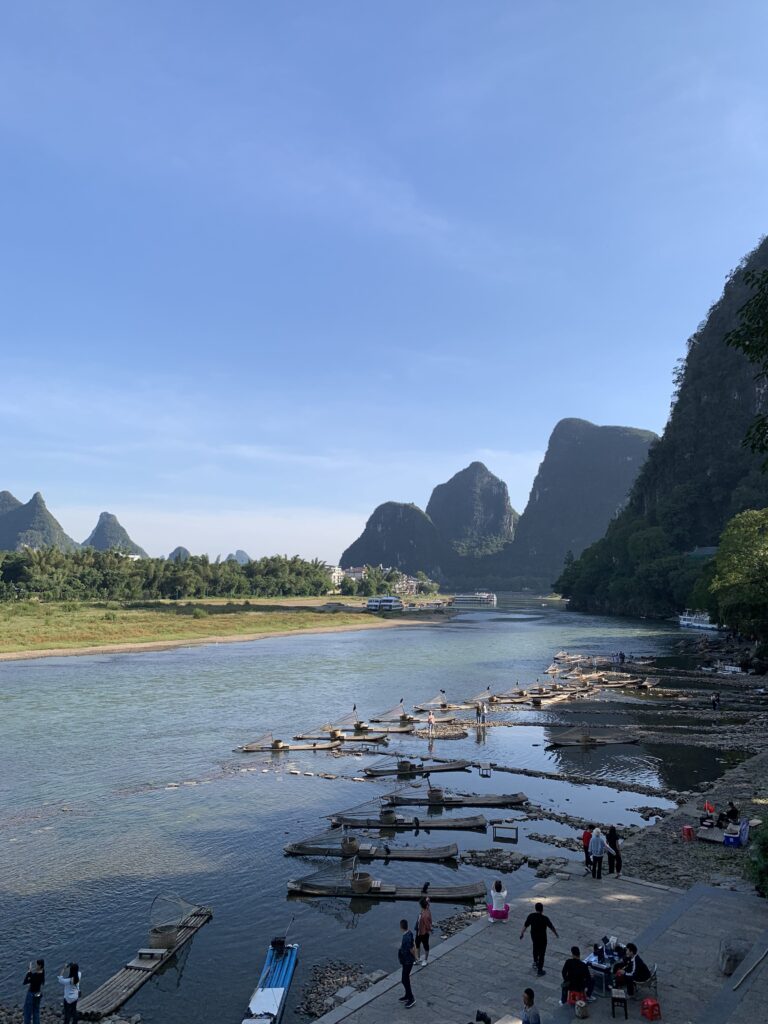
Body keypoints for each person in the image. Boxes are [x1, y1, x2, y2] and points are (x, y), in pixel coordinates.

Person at [520, 901, 558, 976]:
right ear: (542, 910)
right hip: (542, 938)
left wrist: (522, 933)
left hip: (534, 936)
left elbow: (525, 925)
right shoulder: (545, 918)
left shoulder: (531, 916)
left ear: (535, 908)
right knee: (542, 953)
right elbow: (551, 927)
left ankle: (535, 962)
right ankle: (540, 970)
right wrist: (556, 934)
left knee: (535, 947)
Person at [397, 918, 416, 1008]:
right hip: (406, 960)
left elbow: (411, 949)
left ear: (401, 927)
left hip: (407, 961)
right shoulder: (409, 933)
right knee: (405, 979)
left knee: (405, 979)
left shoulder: (406, 937)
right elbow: (413, 945)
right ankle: (407, 996)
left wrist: (415, 957)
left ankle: (411, 998)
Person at [22, 959, 45, 1024]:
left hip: (31, 994)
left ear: (40, 966)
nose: (36, 965)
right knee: (36, 1011)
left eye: (37, 964)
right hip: (38, 993)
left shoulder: (35, 975)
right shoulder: (42, 972)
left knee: (27, 1011)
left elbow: (25, 982)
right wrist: (31, 973)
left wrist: (29, 971)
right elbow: (33, 978)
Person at [415, 896, 432, 965]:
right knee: (417, 944)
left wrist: (430, 930)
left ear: (422, 905)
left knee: (425, 946)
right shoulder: (425, 908)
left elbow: (428, 925)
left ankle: (425, 960)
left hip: (424, 932)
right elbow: (427, 901)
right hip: (418, 931)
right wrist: (427, 898)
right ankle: (418, 958)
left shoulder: (425, 915)